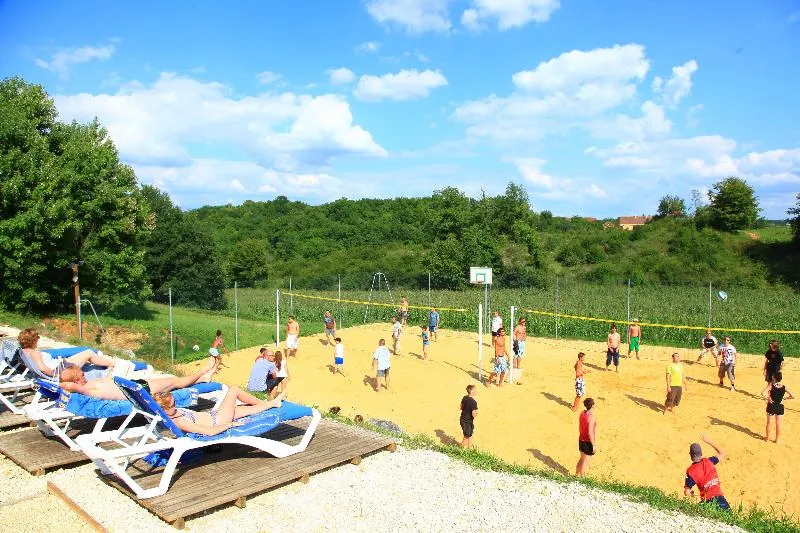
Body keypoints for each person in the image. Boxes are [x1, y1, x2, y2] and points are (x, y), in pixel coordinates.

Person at [59, 357, 218, 401]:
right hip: (140, 390)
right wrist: (70, 381)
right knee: (175, 380)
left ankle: (204, 378)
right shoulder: (84, 388)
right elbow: (66, 384)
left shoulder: (87, 387)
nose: (84, 375)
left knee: (172, 382)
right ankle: (204, 369)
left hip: (135, 386)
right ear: (75, 381)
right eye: (81, 375)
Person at [154, 387, 285, 436]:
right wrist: (230, 425)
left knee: (248, 410)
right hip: (219, 420)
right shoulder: (180, 422)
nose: (176, 405)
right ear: (164, 409)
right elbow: (209, 432)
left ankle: (272, 403)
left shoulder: (172, 414)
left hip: (215, 415)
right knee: (234, 390)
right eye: (173, 404)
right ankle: (268, 403)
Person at [18, 327, 117, 378]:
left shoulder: (24, 351)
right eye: (37, 338)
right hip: (61, 370)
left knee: (85, 357)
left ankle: (103, 363)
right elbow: (44, 369)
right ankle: (113, 364)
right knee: (89, 353)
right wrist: (57, 375)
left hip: (60, 365)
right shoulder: (34, 353)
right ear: (33, 340)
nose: (38, 340)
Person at [684, 434, 731, 511]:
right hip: (720, 500)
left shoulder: (690, 471)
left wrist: (691, 493)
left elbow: (687, 492)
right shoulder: (710, 461)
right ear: (701, 454)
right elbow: (722, 453)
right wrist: (709, 441)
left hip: (707, 502)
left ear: (690, 454)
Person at [761, 372, 794, 443]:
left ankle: (767, 439)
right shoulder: (784, 387)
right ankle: (777, 440)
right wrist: (784, 398)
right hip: (780, 406)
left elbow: (762, 393)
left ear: (774, 378)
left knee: (769, 423)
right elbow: (793, 396)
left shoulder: (771, 386)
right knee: (778, 423)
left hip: (771, 406)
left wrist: (769, 398)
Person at [576, 397, 596, 476]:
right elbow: (590, 432)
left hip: (581, 439)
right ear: (592, 405)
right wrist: (593, 445)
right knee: (585, 461)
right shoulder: (592, 418)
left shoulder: (582, 413)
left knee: (581, 459)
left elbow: (580, 426)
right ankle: (582, 478)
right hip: (587, 442)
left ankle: (576, 475)